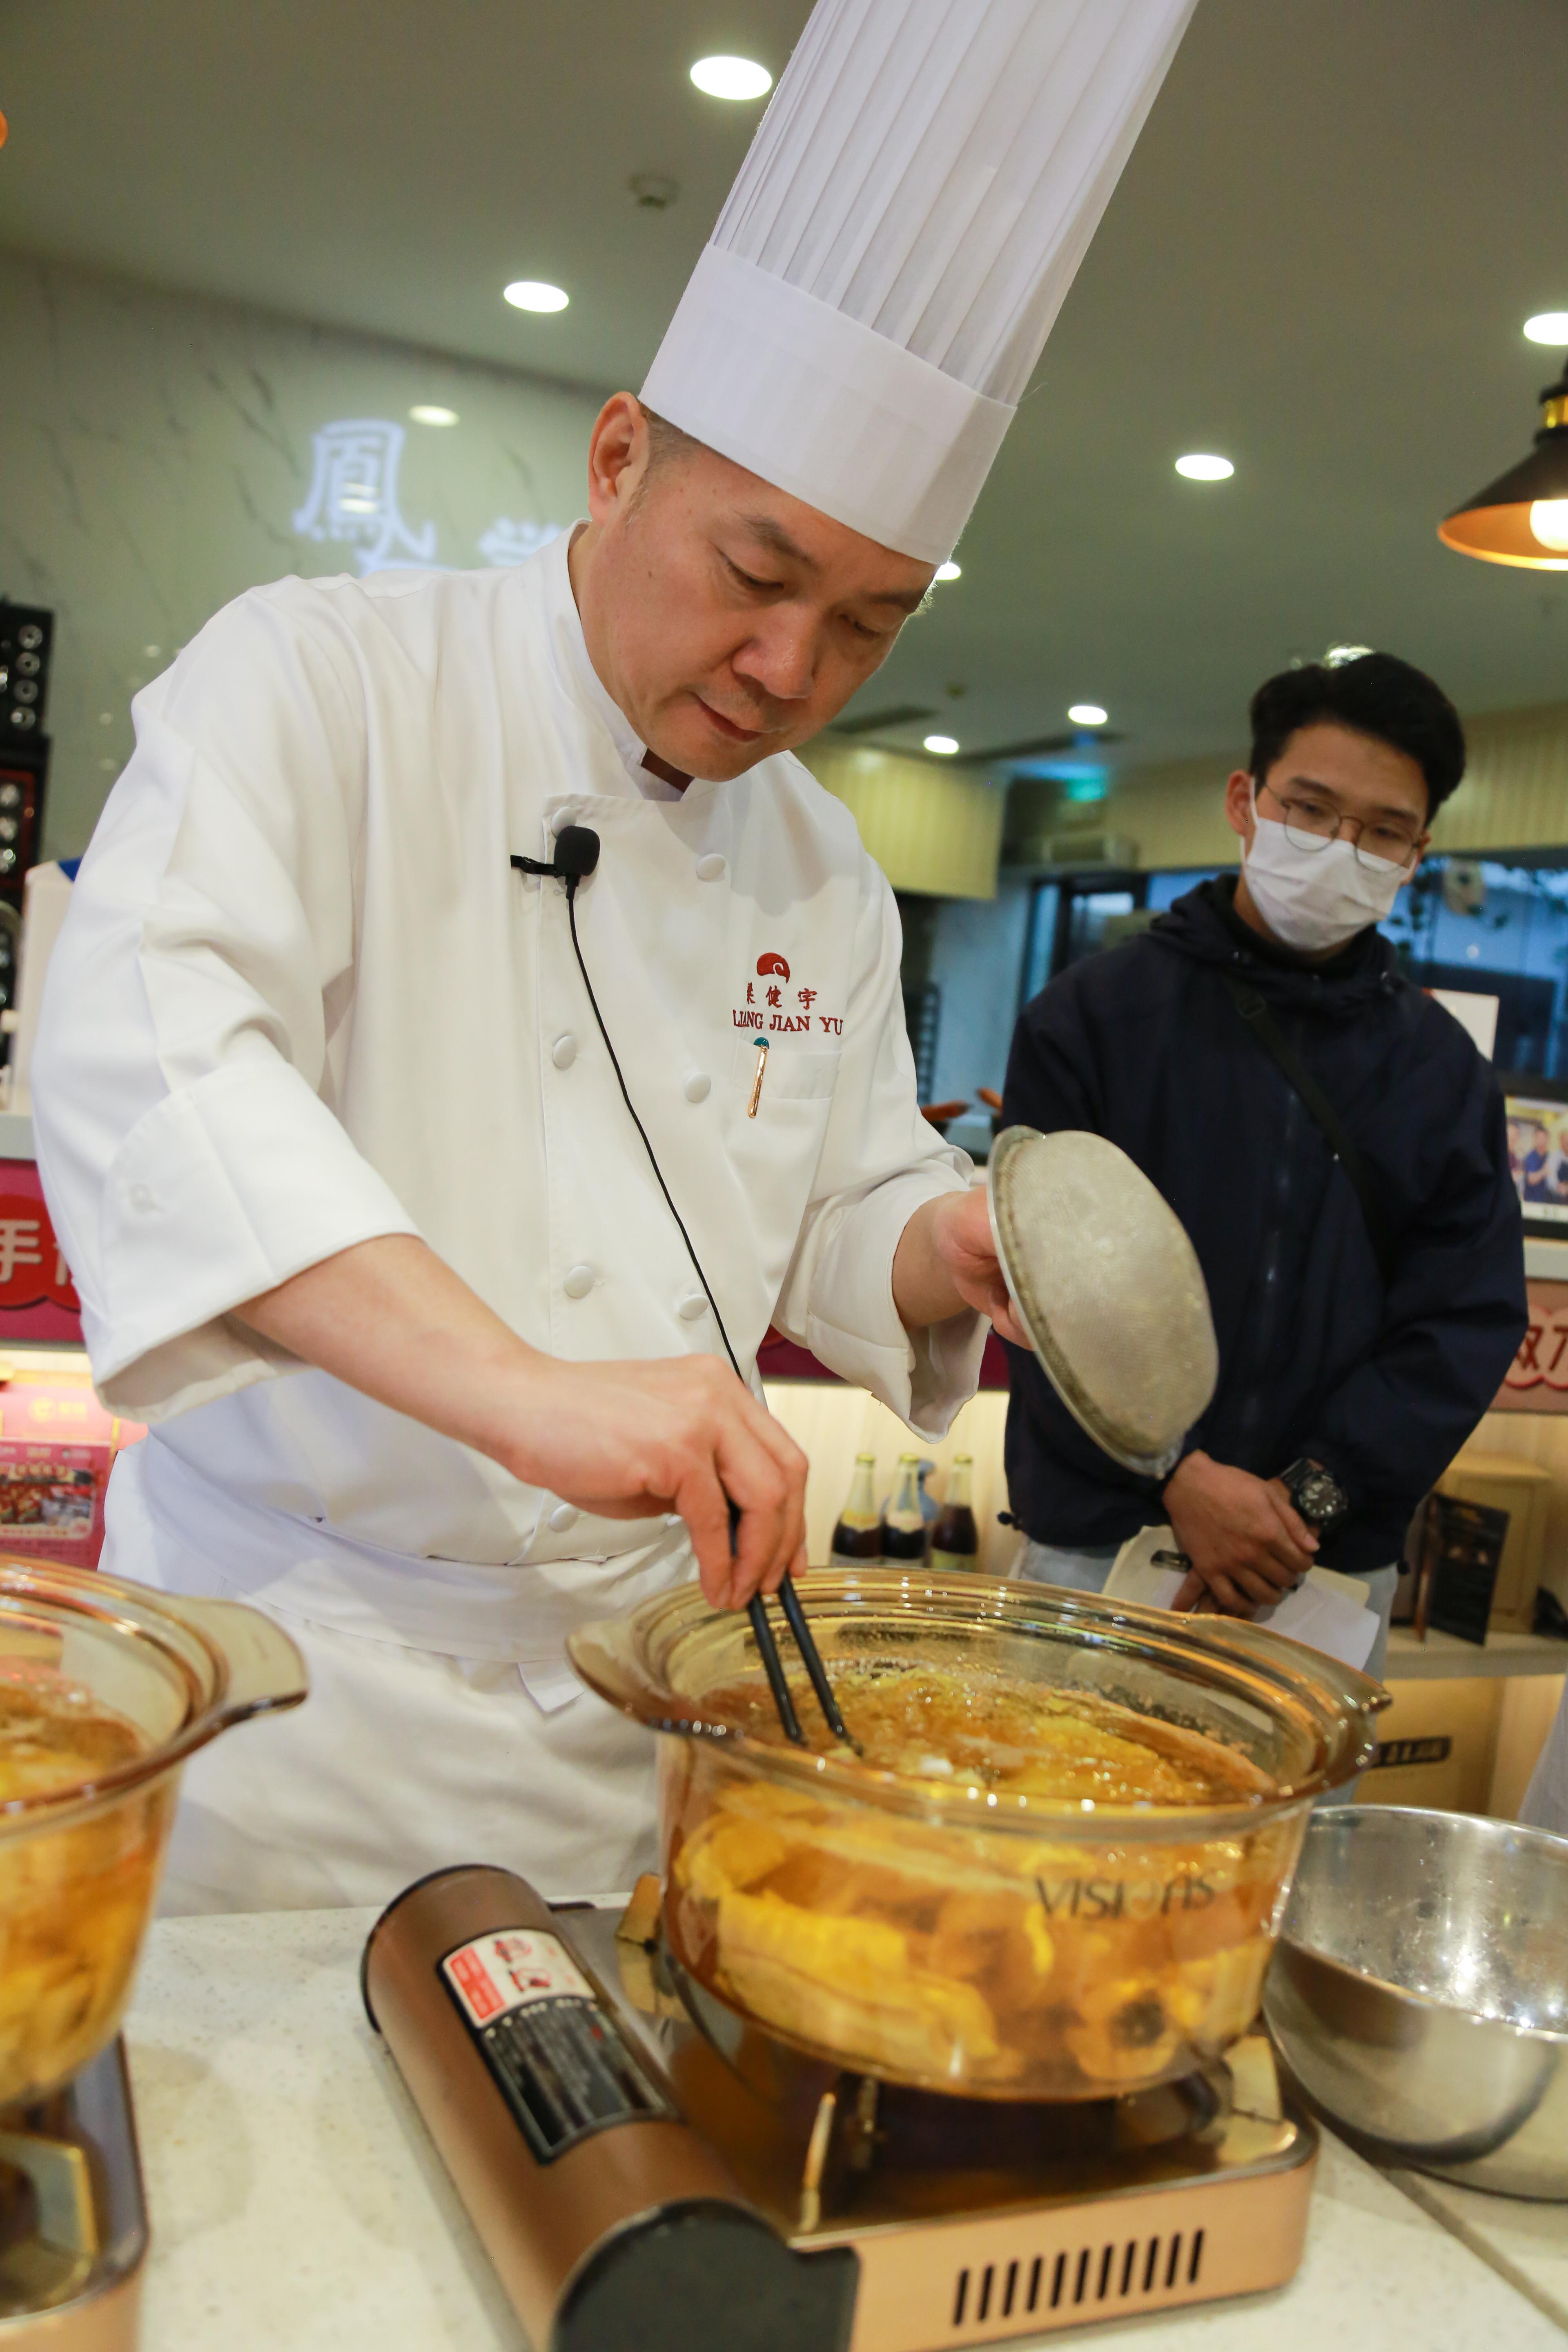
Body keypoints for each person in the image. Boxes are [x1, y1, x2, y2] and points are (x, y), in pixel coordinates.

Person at [31, 0, 1198, 1910]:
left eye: (869, 626)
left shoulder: (820, 859)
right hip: (293, 1682)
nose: (791, 673)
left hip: (631, 1697)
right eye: (757, 575)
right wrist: (526, 1388)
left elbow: (828, 1181)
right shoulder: (326, 679)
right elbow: (161, 1062)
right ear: (617, 455)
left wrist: (936, 1238)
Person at [1002, 651, 1529, 1678]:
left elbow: (1462, 1319)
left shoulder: (1441, 1072)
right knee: (1052, 1832)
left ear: (1418, 852)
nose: (1343, 848)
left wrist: (1306, 1499)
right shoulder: (1097, 1017)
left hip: (1314, 1575)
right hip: (1101, 1545)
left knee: (1284, 1843)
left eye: (1382, 830)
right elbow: (1036, 1282)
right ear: (1247, 801)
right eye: (1313, 809)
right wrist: (1180, 1478)